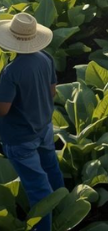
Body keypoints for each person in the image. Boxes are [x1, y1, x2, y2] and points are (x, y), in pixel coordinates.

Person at [0, 13, 64, 231]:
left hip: (20, 138)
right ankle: (62, 206)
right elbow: (52, 92)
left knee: (37, 187)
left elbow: (3, 109)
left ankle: (43, 227)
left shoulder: (11, 72)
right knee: (51, 167)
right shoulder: (45, 57)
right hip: (44, 126)